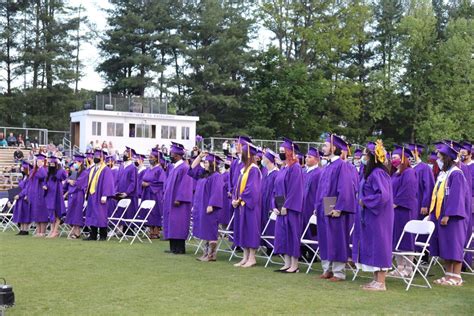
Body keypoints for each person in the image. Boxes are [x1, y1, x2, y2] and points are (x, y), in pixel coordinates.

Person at [353, 140, 394, 291]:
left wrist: (365, 201)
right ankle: (375, 280)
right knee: (373, 245)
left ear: (372, 157)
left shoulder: (379, 173)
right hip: (371, 215)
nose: (363, 157)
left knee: (380, 245)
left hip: (379, 216)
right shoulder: (370, 172)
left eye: (365, 154)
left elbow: (384, 196)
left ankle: (381, 282)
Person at [315, 134, 357, 281]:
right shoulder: (327, 166)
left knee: (337, 238)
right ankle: (327, 269)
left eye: (325, 145)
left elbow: (345, 188)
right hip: (324, 208)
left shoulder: (341, 165)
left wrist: (339, 207)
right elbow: (321, 189)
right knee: (325, 238)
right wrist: (317, 206)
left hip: (335, 210)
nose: (323, 148)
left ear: (334, 148)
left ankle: (339, 272)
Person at [430, 143, 470, 286]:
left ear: (447, 158)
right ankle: (448, 275)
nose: (437, 160)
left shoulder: (456, 174)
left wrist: (448, 214)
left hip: (454, 217)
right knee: (445, 245)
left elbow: (456, 197)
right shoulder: (443, 174)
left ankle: (457, 276)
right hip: (442, 215)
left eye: (440, 157)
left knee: (454, 245)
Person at [272, 138, 304, 273]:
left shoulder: (295, 168)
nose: (280, 154)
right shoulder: (283, 168)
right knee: (282, 235)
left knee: (292, 235)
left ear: (289, 152)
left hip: (290, 209)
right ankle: (286, 263)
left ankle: (294, 265)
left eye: (282, 151)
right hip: (281, 208)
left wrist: (287, 206)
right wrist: (275, 205)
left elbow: (295, 189)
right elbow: (276, 189)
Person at [389, 145, 418, 278]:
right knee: (396, 238)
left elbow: (407, 191)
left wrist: (395, 203)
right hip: (394, 210)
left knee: (406, 238)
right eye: (392, 157)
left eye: (395, 157)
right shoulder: (395, 173)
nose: (392, 160)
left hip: (404, 210)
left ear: (403, 158)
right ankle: (399, 267)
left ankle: (409, 268)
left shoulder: (409, 172)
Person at [232, 142, 262, 268]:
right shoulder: (243, 170)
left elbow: (252, 189)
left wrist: (240, 199)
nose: (241, 156)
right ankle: (245, 257)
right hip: (241, 206)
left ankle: (252, 258)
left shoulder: (254, 170)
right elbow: (237, 187)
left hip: (250, 206)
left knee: (250, 230)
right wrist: (234, 199)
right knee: (242, 230)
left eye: (243, 154)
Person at [189, 152, 224, 261]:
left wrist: (212, 205)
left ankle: (211, 255)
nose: (205, 164)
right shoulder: (203, 174)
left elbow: (217, 191)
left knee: (210, 230)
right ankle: (205, 253)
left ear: (213, 164)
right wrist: (199, 156)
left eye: (207, 162)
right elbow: (191, 168)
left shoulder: (216, 176)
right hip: (201, 206)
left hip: (210, 207)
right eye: (204, 162)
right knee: (204, 230)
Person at [162, 142, 193, 254]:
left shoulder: (184, 167)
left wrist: (179, 198)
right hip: (170, 200)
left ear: (178, 155)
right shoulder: (174, 167)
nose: (170, 156)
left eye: (172, 154)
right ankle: (173, 248)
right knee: (172, 224)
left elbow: (186, 184)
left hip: (179, 202)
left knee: (179, 224)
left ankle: (180, 248)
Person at [84, 149, 115, 241]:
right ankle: (93, 235)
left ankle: (102, 235)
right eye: (94, 156)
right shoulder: (93, 169)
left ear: (102, 158)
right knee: (91, 214)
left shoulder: (105, 169)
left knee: (101, 215)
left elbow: (108, 183)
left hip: (100, 195)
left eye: (97, 157)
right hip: (92, 195)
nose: (95, 158)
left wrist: (105, 195)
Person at [301, 147, 323, 260]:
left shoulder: (319, 173)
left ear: (317, 159)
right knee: (302, 227)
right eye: (306, 156)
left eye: (309, 157)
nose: (306, 158)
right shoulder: (303, 171)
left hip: (311, 205)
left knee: (312, 229)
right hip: (302, 205)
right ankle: (302, 251)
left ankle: (313, 252)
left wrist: (316, 206)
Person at [141, 149, 166, 239]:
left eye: (151, 157)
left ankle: (156, 231)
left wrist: (149, 184)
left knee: (155, 211)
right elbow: (144, 178)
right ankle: (150, 230)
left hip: (155, 193)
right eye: (149, 157)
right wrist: (143, 183)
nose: (149, 159)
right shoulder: (148, 169)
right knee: (148, 211)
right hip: (147, 193)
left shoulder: (159, 170)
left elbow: (161, 182)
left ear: (156, 159)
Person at [64, 154, 88, 239]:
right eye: (74, 162)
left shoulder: (85, 173)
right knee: (72, 212)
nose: (74, 163)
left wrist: (71, 181)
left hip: (78, 195)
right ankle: (74, 231)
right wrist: (69, 181)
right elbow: (68, 180)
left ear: (81, 162)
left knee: (77, 213)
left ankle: (77, 232)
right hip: (72, 195)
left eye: (76, 162)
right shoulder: (74, 172)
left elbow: (78, 183)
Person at [115, 147, 138, 234]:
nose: (124, 155)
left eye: (126, 154)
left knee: (129, 212)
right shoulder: (121, 167)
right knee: (121, 211)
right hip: (120, 194)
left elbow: (133, 182)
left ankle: (129, 231)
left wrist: (127, 192)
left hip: (129, 195)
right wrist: (116, 191)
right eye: (124, 154)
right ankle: (120, 229)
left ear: (130, 156)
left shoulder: (132, 168)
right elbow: (117, 180)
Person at [44, 156, 67, 238]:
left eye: (53, 163)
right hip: (50, 195)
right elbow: (45, 182)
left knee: (57, 213)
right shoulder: (48, 173)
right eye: (50, 164)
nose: (51, 165)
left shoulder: (60, 171)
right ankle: (52, 230)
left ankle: (55, 231)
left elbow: (65, 177)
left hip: (57, 194)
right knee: (51, 213)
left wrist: (60, 166)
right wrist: (45, 186)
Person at [260, 150, 279, 245]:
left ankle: (272, 245)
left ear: (269, 159)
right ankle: (266, 244)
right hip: (263, 202)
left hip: (271, 203)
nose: (262, 159)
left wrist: (273, 204)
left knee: (271, 225)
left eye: (264, 157)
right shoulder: (265, 173)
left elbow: (277, 191)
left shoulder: (276, 174)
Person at [28, 153, 48, 237]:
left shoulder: (45, 169)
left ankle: (42, 232)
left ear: (44, 162)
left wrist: (41, 167)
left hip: (42, 194)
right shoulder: (33, 171)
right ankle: (38, 231)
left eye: (41, 161)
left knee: (42, 212)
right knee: (36, 212)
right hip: (35, 194)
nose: (39, 163)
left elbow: (43, 176)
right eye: (38, 161)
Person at [13, 161, 33, 235]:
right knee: (20, 213)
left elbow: (27, 189)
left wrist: (20, 195)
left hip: (25, 197)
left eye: (23, 167)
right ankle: (21, 229)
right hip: (20, 198)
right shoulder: (24, 177)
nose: (21, 168)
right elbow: (20, 187)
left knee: (25, 213)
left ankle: (25, 230)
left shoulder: (29, 178)